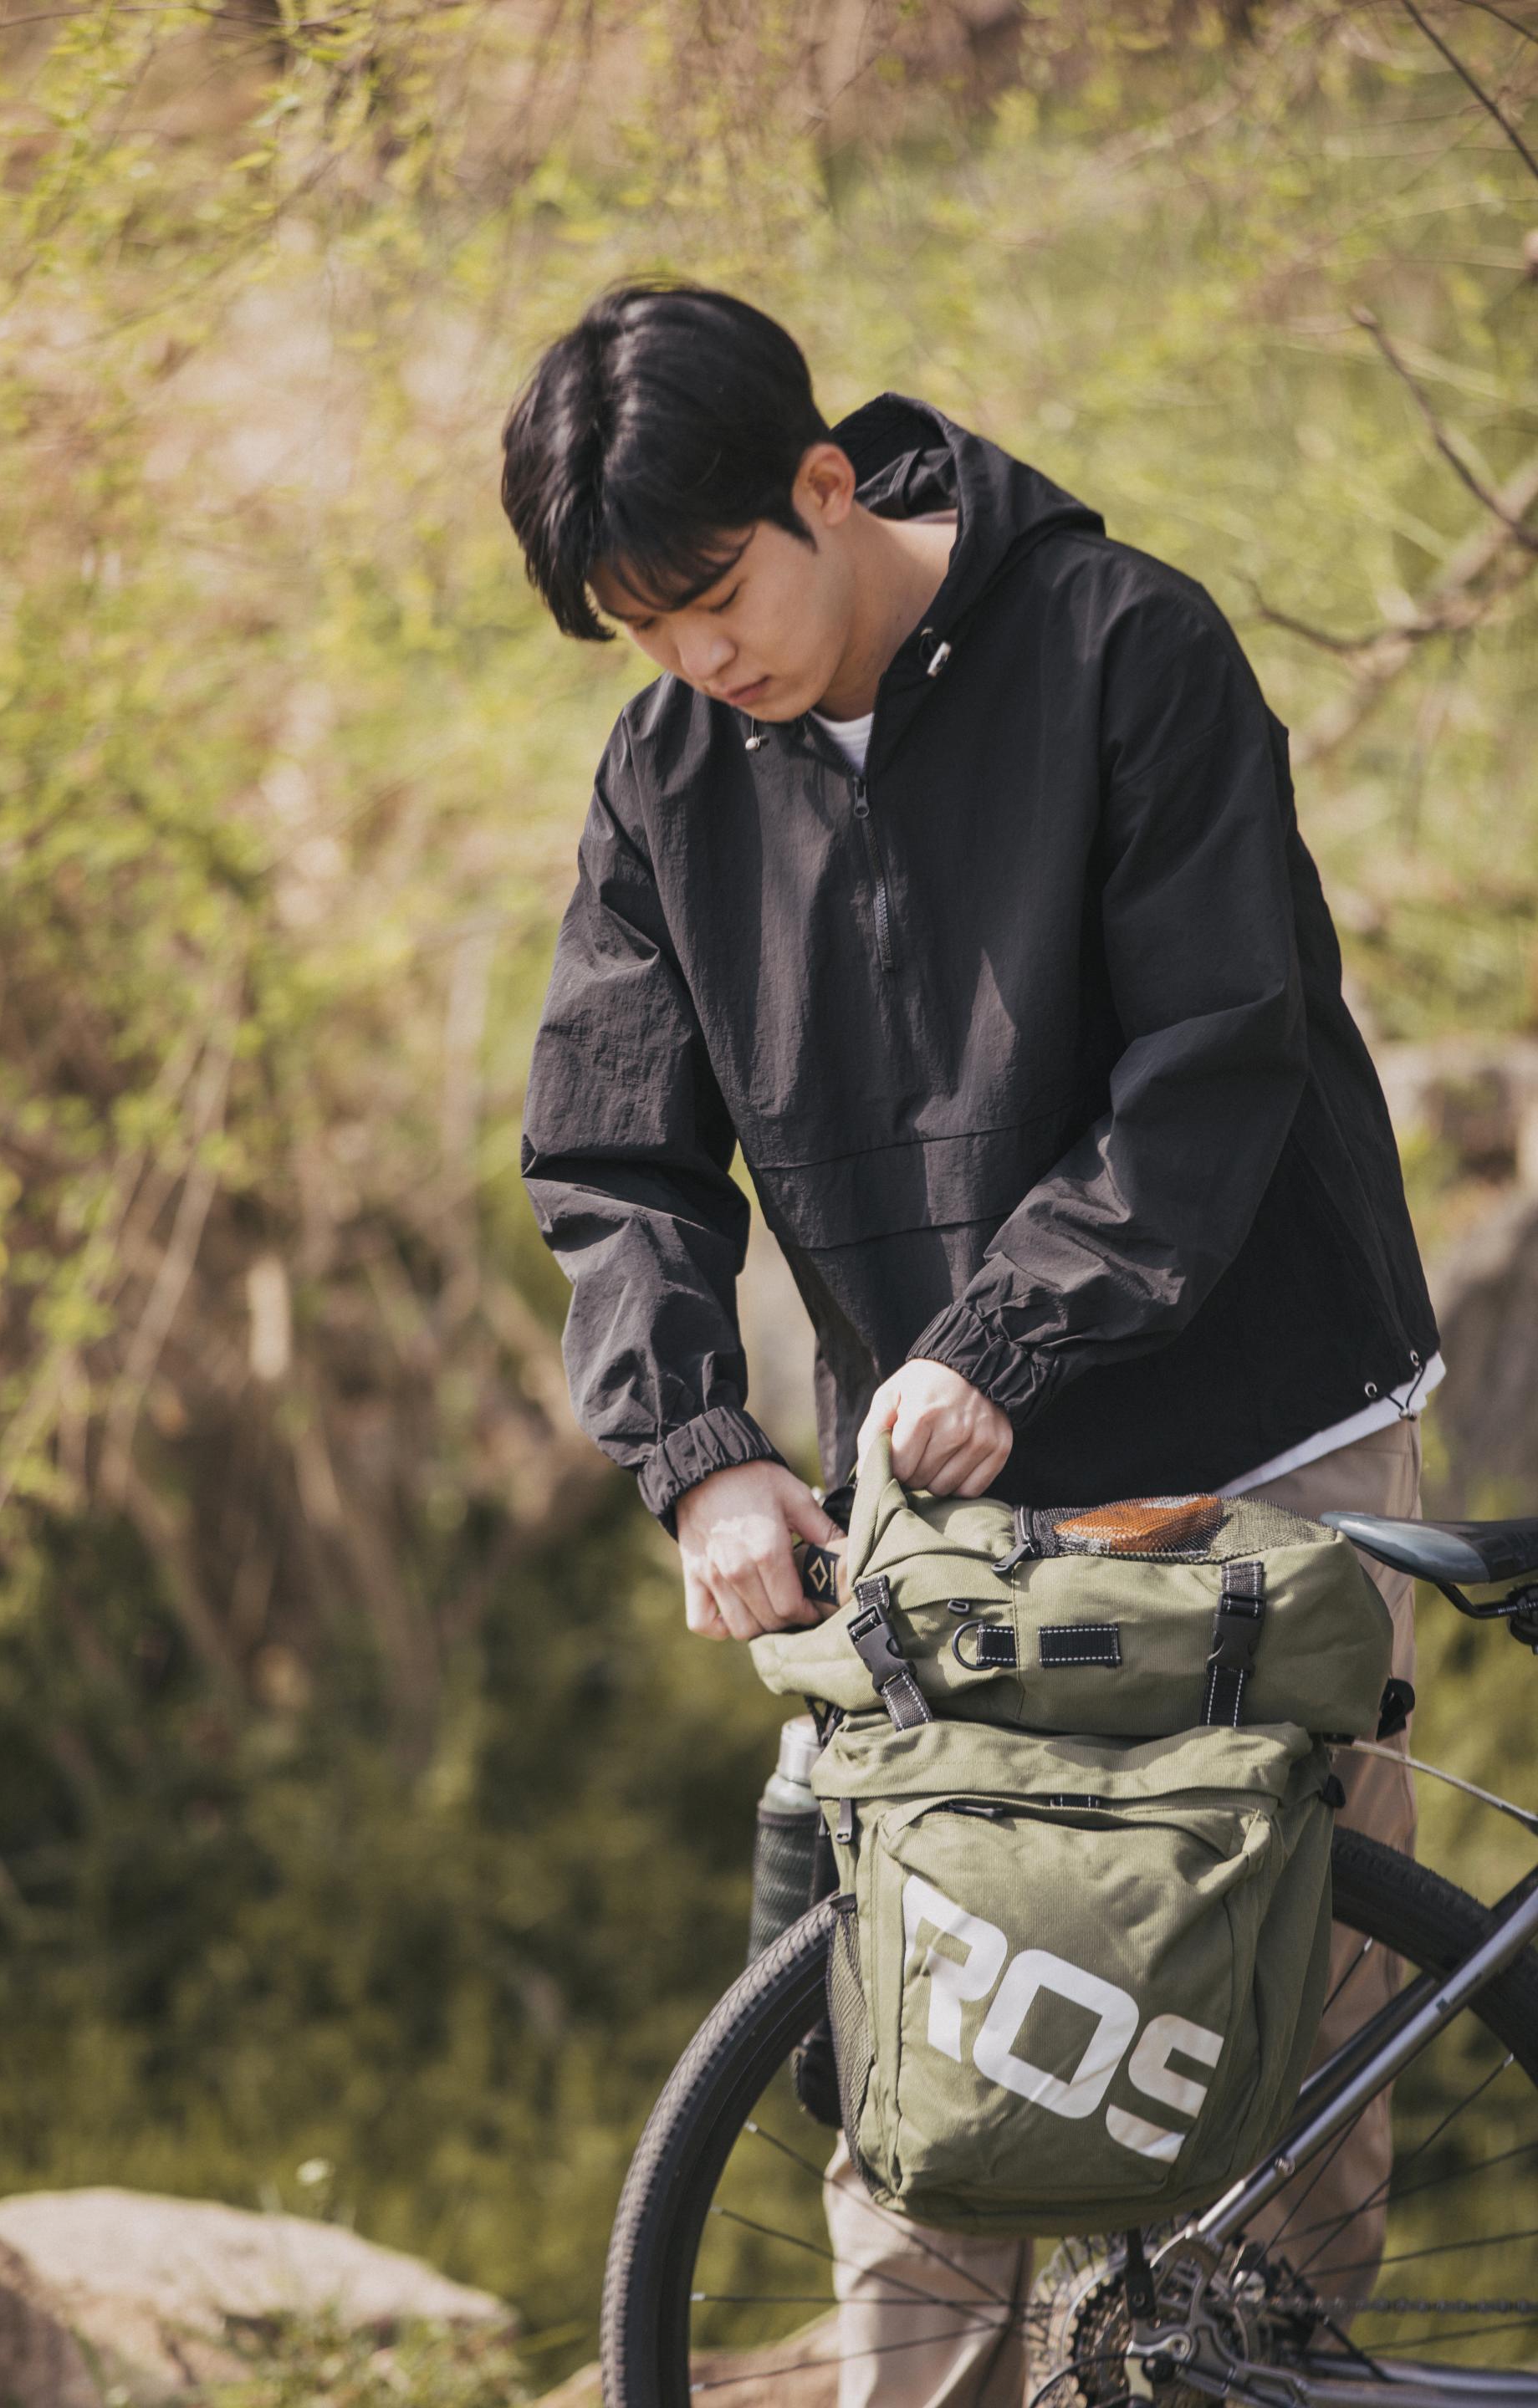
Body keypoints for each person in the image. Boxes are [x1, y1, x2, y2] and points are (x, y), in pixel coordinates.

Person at [501, 282, 1443, 2405]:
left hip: (1262, 1430)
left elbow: (1215, 1064)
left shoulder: (1126, 647)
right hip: (946, 1488)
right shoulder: (667, 779)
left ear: (826, 487)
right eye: (643, 633)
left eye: (715, 597)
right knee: (925, 2038)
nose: (698, 661)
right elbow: (611, 1153)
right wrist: (703, 1452)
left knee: (1283, 2007)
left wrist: (1010, 1331)